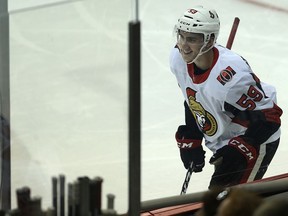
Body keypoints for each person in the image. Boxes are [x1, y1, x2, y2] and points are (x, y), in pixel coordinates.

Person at [169, 5, 282, 188]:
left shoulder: (232, 77)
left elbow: (270, 117)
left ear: (210, 39)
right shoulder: (177, 59)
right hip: (224, 136)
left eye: (192, 39)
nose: (183, 45)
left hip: (254, 139)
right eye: (181, 36)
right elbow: (195, 99)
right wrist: (193, 134)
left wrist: (238, 150)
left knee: (229, 204)